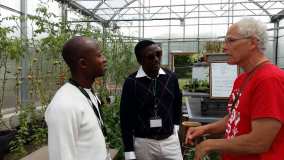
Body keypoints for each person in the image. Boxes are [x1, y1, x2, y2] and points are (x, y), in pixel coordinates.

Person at [185, 18, 284, 160]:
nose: (224, 47)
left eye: (230, 41)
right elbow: (235, 117)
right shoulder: (242, 79)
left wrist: (210, 144)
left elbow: (260, 142)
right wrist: (205, 129)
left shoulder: (270, 79)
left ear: (252, 42)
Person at [45, 36, 110, 160]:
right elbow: (61, 156)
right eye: (99, 55)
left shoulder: (87, 93)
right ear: (83, 64)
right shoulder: (64, 106)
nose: (104, 59)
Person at [120, 40, 183, 160]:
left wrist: (176, 125)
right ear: (140, 61)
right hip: (144, 144)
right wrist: (129, 150)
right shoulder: (131, 82)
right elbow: (125, 118)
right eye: (150, 57)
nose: (156, 59)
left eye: (159, 54)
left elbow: (177, 102)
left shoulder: (171, 77)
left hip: (170, 141)